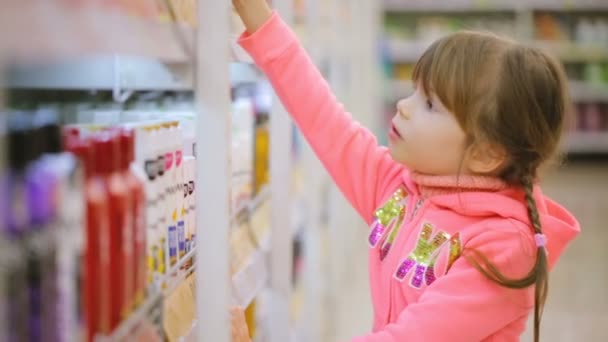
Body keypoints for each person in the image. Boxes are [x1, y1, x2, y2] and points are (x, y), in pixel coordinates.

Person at [230, 1, 581, 341]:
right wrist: (260, 19)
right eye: (415, 91)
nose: (403, 106)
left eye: (430, 104)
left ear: (488, 153)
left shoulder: (504, 249)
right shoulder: (398, 187)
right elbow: (322, 116)